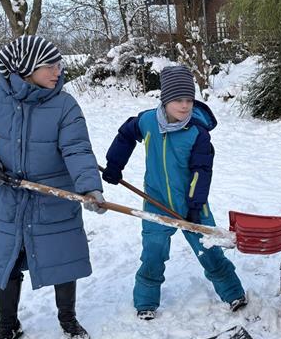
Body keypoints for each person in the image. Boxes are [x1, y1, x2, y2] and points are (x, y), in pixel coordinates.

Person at [0, 35, 106, 339]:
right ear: (26, 68)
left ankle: (68, 319)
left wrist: (89, 187)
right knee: (8, 262)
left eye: (58, 64)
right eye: (49, 65)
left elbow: (77, 149)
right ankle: (7, 325)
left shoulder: (64, 105)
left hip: (53, 198)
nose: (58, 70)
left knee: (62, 258)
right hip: (10, 199)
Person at [101, 65, 247, 321]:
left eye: (189, 100)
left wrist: (193, 206)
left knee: (209, 250)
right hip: (156, 202)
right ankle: (146, 301)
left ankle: (232, 291)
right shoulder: (147, 122)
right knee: (153, 253)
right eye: (178, 100)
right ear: (165, 100)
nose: (185, 106)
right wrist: (115, 164)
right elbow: (126, 135)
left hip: (194, 205)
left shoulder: (197, 133)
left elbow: (201, 173)